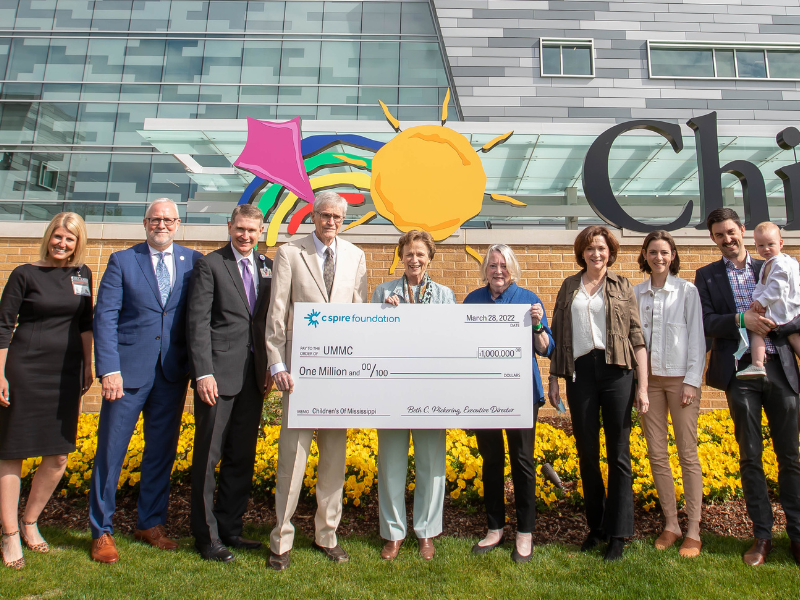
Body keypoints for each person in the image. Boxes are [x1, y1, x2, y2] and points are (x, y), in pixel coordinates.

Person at [89, 198, 202, 564]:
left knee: (160, 453)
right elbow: (105, 318)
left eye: (168, 220)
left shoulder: (193, 263)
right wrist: (109, 369)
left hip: (171, 375)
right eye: (155, 219)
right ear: (145, 222)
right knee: (111, 453)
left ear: (178, 223)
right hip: (126, 376)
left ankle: (149, 523)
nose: (162, 225)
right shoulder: (123, 260)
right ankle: (102, 530)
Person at [265, 190, 367, 571]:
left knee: (333, 461)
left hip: (338, 378)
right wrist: (277, 364)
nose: (330, 223)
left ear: (343, 221)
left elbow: (358, 314)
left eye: (337, 218)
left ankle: (327, 534)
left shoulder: (356, 257)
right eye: (325, 216)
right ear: (314, 216)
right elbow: (277, 314)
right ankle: (281, 538)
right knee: (292, 459)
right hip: (299, 376)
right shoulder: (291, 253)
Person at [695, 208, 800, 567]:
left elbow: (796, 308)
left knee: (791, 456)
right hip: (740, 375)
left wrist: (772, 326)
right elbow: (707, 322)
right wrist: (743, 318)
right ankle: (763, 537)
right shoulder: (706, 276)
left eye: (731, 232)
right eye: (719, 235)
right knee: (750, 455)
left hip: (780, 369)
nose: (727, 239)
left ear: (742, 230)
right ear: (713, 239)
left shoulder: (771, 262)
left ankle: (797, 535)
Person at [547, 225, 648, 562]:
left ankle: (619, 533)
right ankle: (597, 527)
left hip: (617, 370)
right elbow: (559, 334)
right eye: (590, 248)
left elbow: (636, 336)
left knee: (618, 453)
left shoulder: (621, 285)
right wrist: (554, 379)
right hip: (580, 373)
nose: (596, 254)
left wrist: (642, 385)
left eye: (601, 248)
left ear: (610, 251)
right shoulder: (568, 286)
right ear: (582, 253)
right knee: (587, 453)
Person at [0, 212, 93, 570]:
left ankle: (29, 521)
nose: (62, 244)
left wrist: (88, 365)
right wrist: (1, 374)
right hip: (24, 370)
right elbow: (4, 324)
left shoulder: (81, 275)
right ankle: (9, 534)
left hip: (65, 375)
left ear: (77, 243)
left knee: (57, 456)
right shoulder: (25, 273)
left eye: (70, 239)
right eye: (58, 236)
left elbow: (86, 324)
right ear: (48, 237)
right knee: (13, 452)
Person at [187, 203, 274, 563]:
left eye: (252, 231)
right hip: (217, 376)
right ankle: (206, 536)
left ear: (260, 232)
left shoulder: (268, 266)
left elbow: (269, 320)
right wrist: (203, 372)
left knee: (241, 455)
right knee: (209, 457)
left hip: (253, 376)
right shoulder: (210, 265)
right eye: (240, 229)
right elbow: (197, 323)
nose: (245, 236)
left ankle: (230, 528)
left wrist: (271, 366)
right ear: (230, 226)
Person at [463, 244, 554, 563]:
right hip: (484, 393)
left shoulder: (528, 299)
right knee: (491, 460)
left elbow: (547, 348)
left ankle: (525, 533)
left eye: (503, 265)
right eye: (492, 265)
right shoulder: (472, 300)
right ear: (484, 270)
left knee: (522, 460)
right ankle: (495, 528)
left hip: (520, 394)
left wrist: (539, 324)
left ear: (511, 269)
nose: (497, 271)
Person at [371, 230, 456, 562]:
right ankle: (393, 534)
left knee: (431, 462)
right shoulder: (383, 292)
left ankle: (426, 532)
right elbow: (371, 339)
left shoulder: (445, 295)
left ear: (430, 256)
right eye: (408, 253)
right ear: (401, 256)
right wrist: (382, 312)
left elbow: (451, 341)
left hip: (430, 391)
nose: (414, 259)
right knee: (391, 462)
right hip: (391, 390)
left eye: (420, 254)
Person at [633, 230, 705, 558]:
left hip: (680, 383)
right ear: (645, 255)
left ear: (673, 255)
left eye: (664, 252)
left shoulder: (687, 292)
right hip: (650, 385)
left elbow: (697, 339)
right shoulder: (635, 294)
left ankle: (694, 529)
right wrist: (640, 386)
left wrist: (692, 381)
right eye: (653, 252)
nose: (659, 257)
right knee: (657, 454)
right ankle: (672, 524)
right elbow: (634, 343)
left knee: (687, 454)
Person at [736, 221, 800, 379]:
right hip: (787, 311)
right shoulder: (776, 262)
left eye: (771, 244)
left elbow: (777, 287)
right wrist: (757, 299)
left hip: (781, 310)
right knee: (794, 337)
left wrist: (761, 301)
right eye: (761, 245)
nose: (766, 249)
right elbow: (762, 285)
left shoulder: (779, 263)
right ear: (755, 246)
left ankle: (757, 364)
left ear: (781, 243)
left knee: (756, 329)